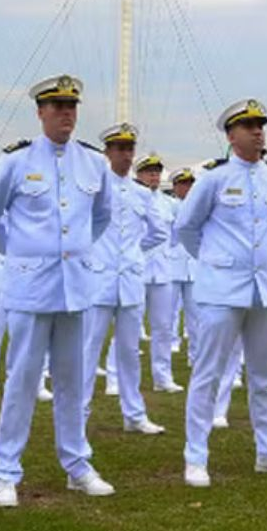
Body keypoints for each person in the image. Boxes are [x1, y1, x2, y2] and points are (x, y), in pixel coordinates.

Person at [0, 74, 115, 508]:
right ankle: (5, 472)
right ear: (40, 112)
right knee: (21, 381)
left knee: (73, 382)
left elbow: (100, 217)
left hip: (76, 289)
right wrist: (17, 254)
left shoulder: (94, 163)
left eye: (72, 106)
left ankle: (77, 465)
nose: (66, 113)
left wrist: (78, 252)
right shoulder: (15, 162)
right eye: (57, 106)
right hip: (31, 290)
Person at [174, 99, 267, 488]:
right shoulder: (214, 179)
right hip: (221, 291)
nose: (258, 131)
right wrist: (216, 262)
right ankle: (195, 457)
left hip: (263, 292)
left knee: (265, 377)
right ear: (231, 136)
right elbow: (186, 227)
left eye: (261, 125)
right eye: (249, 126)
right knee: (208, 375)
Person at [81, 126, 165, 436]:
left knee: (129, 352)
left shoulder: (141, 193)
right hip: (98, 279)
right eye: (120, 148)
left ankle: (135, 414)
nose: (126, 155)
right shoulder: (93, 189)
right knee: (89, 349)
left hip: (129, 280)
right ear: (107, 152)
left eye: (130, 149)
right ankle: (80, 412)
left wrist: (133, 254)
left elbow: (158, 232)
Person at [134, 153, 181, 393]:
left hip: (162, 271)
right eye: (149, 171)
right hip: (136, 270)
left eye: (156, 171)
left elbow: (173, 237)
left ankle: (162, 377)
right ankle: (115, 376)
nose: (153, 175)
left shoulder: (168, 203)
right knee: (129, 327)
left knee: (163, 327)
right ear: (139, 174)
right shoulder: (131, 197)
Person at [166, 168, 197, 364]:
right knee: (170, 311)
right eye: (183, 184)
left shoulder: (197, 206)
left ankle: (195, 353)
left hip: (194, 266)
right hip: (172, 264)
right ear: (175, 187)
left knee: (195, 314)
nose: (187, 188)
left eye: (190, 184)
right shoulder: (169, 205)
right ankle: (172, 341)